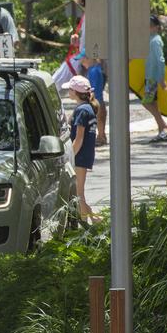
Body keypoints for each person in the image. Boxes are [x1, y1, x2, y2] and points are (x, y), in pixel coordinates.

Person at [64, 75, 98, 221]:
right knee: (79, 194)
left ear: (75, 91)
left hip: (80, 156)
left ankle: (93, 224)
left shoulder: (82, 111)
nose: (68, 92)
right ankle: (93, 222)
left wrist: (69, 157)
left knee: (79, 195)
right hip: (86, 155)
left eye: (69, 90)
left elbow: (79, 138)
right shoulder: (87, 108)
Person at [144, 15, 167, 141]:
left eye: (151, 25)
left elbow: (161, 61)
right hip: (150, 76)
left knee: (147, 102)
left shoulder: (156, 40)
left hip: (153, 77)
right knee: (153, 103)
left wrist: (161, 79)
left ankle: (164, 126)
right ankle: (161, 128)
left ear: (157, 27)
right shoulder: (151, 39)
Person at [80, 54, 108, 146]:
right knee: (100, 118)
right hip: (99, 99)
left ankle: (101, 136)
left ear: (89, 58)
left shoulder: (93, 71)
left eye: (82, 59)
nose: (81, 62)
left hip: (96, 99)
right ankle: (101, 135)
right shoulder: (95, 69)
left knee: (99, 118)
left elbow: (94, 88)